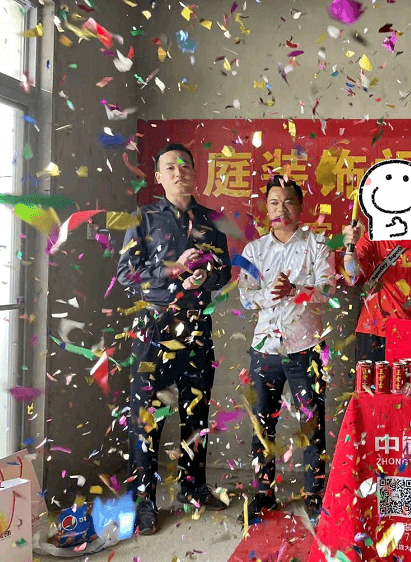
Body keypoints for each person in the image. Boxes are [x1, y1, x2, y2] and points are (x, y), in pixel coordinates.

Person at [117, 143, 231, 535]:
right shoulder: (144, 218)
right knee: (146, 418)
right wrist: (172, 268)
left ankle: (193, 489)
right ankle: (144, 502)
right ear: (159, 177)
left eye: (184, 166)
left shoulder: (211, 221)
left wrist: (206, 276)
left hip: (197, 327)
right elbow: (126, 274)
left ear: (195, 172)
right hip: (155, 328)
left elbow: (224, 273)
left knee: (195, 414)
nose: (178, 172)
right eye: (170, 167)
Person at [237, 176, 335, 524]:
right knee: (262, 424)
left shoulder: (317, 244)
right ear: (266, 208)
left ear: (300, 207)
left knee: (312, 424)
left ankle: (315, 494)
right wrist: (271, 294)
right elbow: (245, 296)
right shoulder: (254, 251)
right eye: (275, 202)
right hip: (265, 349)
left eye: (289, 202)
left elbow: (328, 291)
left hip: (306, 347)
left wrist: (296, 290)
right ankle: (263, 493)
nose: (282, 208)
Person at [342, 224, 411, 362]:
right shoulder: (372, 238)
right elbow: (351, 270)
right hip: (373, 330)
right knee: (368, 377)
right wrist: (350, 248)